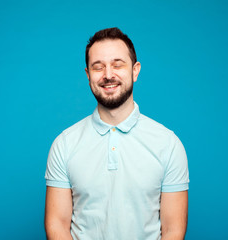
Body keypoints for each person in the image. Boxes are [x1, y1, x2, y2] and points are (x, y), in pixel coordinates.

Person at [44, 27, 189, 240]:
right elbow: (57, 226)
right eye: (98, 67)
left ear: (135, 70)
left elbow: (173, 231)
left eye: (117, 64)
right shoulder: (64, 144)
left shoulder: (168, 144)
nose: (108, 75)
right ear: (88, 74)